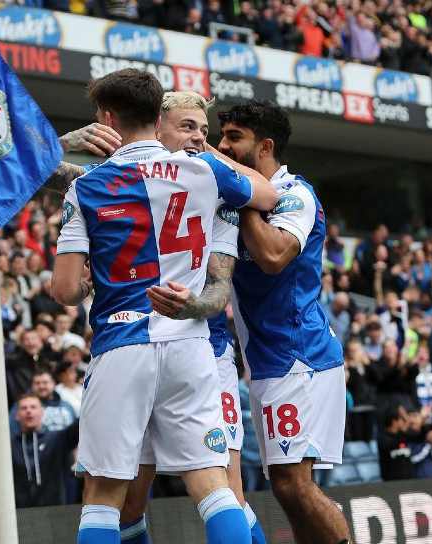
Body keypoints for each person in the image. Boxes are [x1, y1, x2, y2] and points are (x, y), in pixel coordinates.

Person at [52, 69, 276, 544]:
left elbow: (64, 290)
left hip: (121, 342)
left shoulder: (87, 187)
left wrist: (90, 283)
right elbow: (267, 193)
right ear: (159, 118)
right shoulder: (207, 174)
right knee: (214, 488)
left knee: (103, 494)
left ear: (106, 119)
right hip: (190, 347)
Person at [119, 91, 267, 544]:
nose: (199, 138)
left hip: (203, 350)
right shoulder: (119, 177)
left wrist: (194, 306)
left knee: (228, 487)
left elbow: (221, 286)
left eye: (204, 130)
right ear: (155, 127)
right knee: (126, 499)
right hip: (129, 345)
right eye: (188, 127)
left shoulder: (214, 187)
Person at [214, 100, 350, 543]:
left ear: (265, 146)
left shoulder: (295, 193)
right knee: (287, 488)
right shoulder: (235, 194)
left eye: (235, 137)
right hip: (266, 360)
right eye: (223, 136)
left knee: (295, 484)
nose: (223, 145)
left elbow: (272, 256)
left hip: (300, 356)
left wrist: (244, 198)